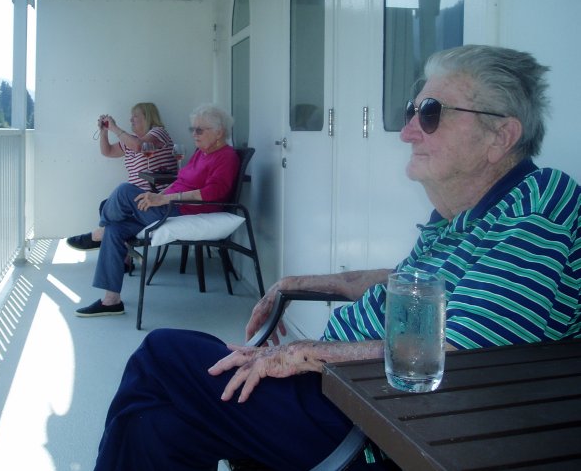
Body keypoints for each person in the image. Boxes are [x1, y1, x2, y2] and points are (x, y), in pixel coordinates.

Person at [92, 45, 581, 470]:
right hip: (345, 391)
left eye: (429, 113)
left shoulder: (542, 203)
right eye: (412, 112)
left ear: (501, 136)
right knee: (156, 428)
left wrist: (300, 355)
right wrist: (292, 283)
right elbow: (410, 282)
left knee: (163, 353)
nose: (408, 131)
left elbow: (465, 344)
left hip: (373, 419)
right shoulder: (461, 216)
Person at [76, 103, 240, 318]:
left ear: (219, 132)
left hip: (185, 211)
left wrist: (163, 198)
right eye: (193, 129)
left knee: (125, 191)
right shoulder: (202, 153)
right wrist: (157, 198)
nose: (194, 134)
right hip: (170, 206)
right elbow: (180, 181)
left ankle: (98, 233)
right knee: (116, 229)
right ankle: (111, 301)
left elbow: (211, 193)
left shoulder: (226, 157)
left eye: (200, 130)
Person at [67, 102, 178, 251]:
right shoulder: (129, 141)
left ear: (148, 117)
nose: (131, 120)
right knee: (106, 205)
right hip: (135, 201)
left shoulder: (158, 133)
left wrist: (114, 128)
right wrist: (104, 131)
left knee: (121, 193)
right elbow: (107, 151)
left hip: (154, 200)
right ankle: (123, 257)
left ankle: (99, 235)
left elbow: (140, 146)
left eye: (135, 116)